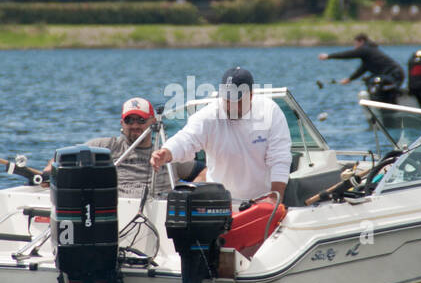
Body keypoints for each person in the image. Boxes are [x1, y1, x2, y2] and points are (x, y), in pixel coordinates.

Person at [150, 66, 291, 206]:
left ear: (251, 96)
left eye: (237, 100)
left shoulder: (270, 111)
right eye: (227, 100)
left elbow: (280, 158)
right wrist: (166, 152)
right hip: (219, 202)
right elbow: (186, 139)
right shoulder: (209, 114)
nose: (231, 106)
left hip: (261, 202)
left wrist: (274, 198)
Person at [45, 97, 182, 197]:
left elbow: (200, 171)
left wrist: (188, 192)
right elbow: (64, 158)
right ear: (122, 123)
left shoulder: (166, 151)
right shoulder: (106, 147)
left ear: (153, 122)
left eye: (141, 120)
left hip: (161, 210)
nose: (135, 125)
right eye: (129, 120)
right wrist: (48, 174)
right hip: (118, 210)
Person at [318, 34, 405, 104]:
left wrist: (329, 56)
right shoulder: (369, 54)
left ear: (361, 41)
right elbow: (362, 69)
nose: (355, 47)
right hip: (393, 76)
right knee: (369, 80)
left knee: (375, 83)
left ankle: (389, 105)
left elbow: (348, 54)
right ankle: (383, 105)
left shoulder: (365, 49)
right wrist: (349, 79)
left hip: (394, 75)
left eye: (356, 44)